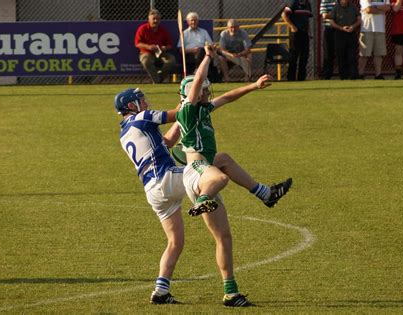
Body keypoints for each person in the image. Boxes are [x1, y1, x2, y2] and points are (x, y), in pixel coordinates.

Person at [176, 45, 293, 307]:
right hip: (196, 172)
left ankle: (231, 292)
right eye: (203, 88)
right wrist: (207, 56)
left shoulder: (204, 109)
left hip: (205, 166)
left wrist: (253, 86)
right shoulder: (188, 109)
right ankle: (201, 201)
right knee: (220, 178)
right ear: (191, 93)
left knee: (224, 236)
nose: (207, 91)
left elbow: (228, 97)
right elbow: (195, 85)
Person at [114, 88, 184, 304]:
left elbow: (168, 142)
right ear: (131, 106)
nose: (146, 103)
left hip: (152, 191)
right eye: (141, 100)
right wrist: (187, 100)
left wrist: (183, 118)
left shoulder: (126, 131)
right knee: (211, 168)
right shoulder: (142, 117)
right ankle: (261, 191)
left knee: (175, 242)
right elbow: (176, 113)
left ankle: (161, 291)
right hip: (165, 178)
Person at [134, 9, 176, 83]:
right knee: (146, 61)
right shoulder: (143, 29)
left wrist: (165, 48)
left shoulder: (163, 30)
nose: (156, 21)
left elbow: (170, 45)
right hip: (146, 53)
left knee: (171, 60)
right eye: (154, 19)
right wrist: (149, 47)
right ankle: (157, 81)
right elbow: (137, 43)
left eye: (157, 19)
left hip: (161, 53)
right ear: (149, 19)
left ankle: (159, 77)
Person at [177, 11, 222, 82]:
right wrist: (192, 50)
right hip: (189, 55)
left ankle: (197, 70)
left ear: (198, 21)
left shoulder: (204, 32)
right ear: (188, 22)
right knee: (201, 51)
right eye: (192, 20)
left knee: (202, 50)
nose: (194, 22)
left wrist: (208, 47)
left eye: (195, 20)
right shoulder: (184, 33)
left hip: (203, 53)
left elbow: (210, 44)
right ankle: (198, 70)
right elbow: (180, 49)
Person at [357, 0, 391, 80]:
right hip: (367, 29)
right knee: (364, 53)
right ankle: (360, 74)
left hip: (380, 29)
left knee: (379, 54)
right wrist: (381, 9)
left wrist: (375, 7)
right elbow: (369, 10)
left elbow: (388, 7)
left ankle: (378, 74)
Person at [329, 0, 362, 80]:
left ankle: (353, 75)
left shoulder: (353, 7)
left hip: (351, 34)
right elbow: (331, 22)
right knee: (341, 55)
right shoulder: (335, 8)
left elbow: (359, 20)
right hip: (339, 34)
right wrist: (341, 28)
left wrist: (353, 27)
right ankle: (343, 76)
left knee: (352, 56)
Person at [282, 0, 313, 81]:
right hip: (295, 33)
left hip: (305, 32)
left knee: (304, 56)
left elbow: (307, 19)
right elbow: (284, 15)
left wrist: (309, 31)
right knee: (294, 55)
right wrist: (292, 26)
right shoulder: (293, 2)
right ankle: (291, 78)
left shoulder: (307, 4)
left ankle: (301, 78)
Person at [320, 0, 338, 80]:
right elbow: (324, 15)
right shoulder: (325, 1)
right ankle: (327, 74)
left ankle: (344, 73)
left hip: (340, 29)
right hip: (329, 29)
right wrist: (339, 15)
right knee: (328, 52)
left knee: (341, 52)